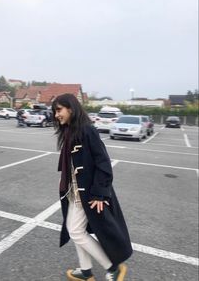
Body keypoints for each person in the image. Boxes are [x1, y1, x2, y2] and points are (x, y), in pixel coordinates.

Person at [52, 94, 132, 281]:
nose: (56, 115)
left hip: (88, 193)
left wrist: (99, 193)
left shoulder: (87, 130)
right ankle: (86, 271)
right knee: (78, 230)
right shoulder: (70, 130)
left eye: (59, 110)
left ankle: (113, 268)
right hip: (74, 191)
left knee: (76, 231)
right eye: (55, 111)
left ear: (71, 108)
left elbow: (103, 162)